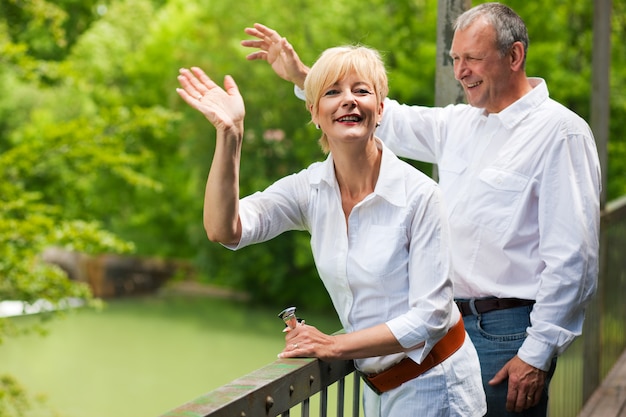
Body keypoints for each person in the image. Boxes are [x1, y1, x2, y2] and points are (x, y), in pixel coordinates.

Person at [240, 3, 601, 416]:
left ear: (514, 56)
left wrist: (537, 354)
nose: (461, 70)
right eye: (455, 60)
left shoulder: (561, 132)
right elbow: (376, 115)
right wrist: (307, 78)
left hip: (510, 334)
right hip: (446, 326)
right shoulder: (461, 123)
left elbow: (574, 259)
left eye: (473, 59)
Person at [176, 45, 486, 416]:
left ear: (381, 108)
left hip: (439, 384)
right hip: (378, 388)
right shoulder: (310, 189)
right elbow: (225, 229)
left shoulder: (420, 196)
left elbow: (431, 316)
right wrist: (230, 136)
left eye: (361, 90)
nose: (348, 101)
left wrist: (334, 346)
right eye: (332, 92)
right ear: (314, 112)